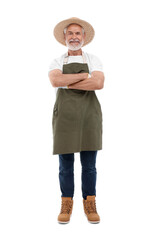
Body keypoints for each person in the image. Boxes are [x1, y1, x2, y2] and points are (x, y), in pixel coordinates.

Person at [48, 17, 105, 224]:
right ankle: (66, 203)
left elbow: (98, 83)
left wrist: (68, 83)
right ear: (65, 38)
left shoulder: (93, 59)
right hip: (64, 117)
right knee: (65, 166)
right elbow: (55, 80)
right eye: (70, 33)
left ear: (84, 37)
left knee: (89, 166)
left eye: (77, 33)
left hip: (89, 116)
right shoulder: (56, 62)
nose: (74, 37)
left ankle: (89, 203)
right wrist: (84, 77)